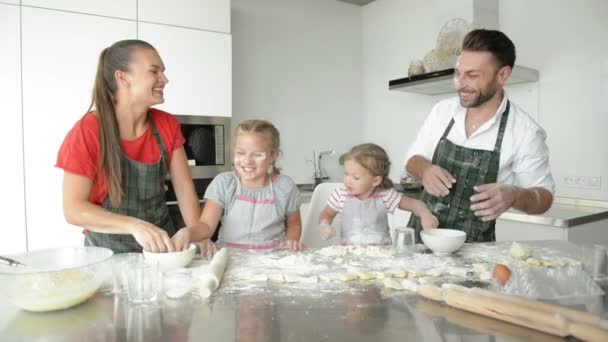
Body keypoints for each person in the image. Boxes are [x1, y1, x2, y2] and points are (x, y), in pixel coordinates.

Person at [405, 29, 555, 242]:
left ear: (502, 75)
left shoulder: (525, 131)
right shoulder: (442, 111)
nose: (460, 83)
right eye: (458, 73)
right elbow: (412, 160)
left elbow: (545, 198)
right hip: (421, 238)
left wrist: (514, 195)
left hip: (476, 252)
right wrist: (425, 169)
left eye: (472, 75)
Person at [57, 39, 203, 253]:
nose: (165, 79)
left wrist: (198, 234)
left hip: (162, 251)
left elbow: (184, 190)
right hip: (106, 253)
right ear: (122, 77)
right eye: (155, 72)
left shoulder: (167, 124)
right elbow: (73, 209)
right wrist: (135, 226)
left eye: (163, 72)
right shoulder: (88, 130)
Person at [193, 119, 303, 258]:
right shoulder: (225, 184)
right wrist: (187, 233)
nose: (247, 161)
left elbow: (294, 224)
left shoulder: (284, 187)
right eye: (240, 153)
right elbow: (206, 226)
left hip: (272, 261)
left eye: (257, 155)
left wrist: (291, 242)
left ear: (273, 156)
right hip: (228, 259)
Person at [319, 143, 438, 245]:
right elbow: (326, 214)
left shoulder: (385, 196)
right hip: (350, 258)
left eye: (355, 177)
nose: (347, 180)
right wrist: (324, 225)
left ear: (375, 180)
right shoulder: (340, 195)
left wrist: (425, 214)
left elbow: (415, 205)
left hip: (381, 259)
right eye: (346, 174)